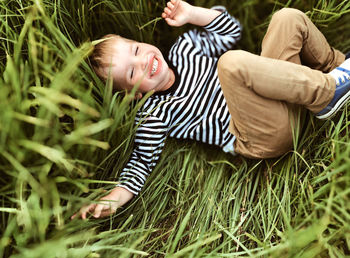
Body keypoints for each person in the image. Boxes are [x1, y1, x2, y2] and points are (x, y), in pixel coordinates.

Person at [72, 0, 350, 220]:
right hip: (265, 132)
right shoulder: (155, 115)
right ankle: (327, 93)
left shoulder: (185, 48)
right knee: (229, 65)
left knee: (287, 18)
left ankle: (336, 68)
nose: (143, 62)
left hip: (286, 93)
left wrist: (192, 13)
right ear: (133, 95)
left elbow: (230, 30)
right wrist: (113, 198)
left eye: (135, 50)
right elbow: (140, 163)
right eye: (132, 72)